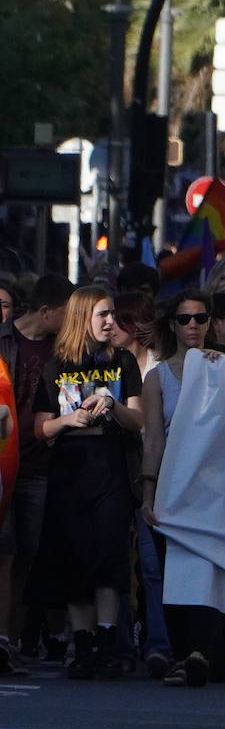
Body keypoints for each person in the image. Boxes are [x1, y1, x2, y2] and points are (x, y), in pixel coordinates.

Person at [26, 286, 144, 680]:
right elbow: (41, 427)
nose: (111, 322)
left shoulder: (124, 361)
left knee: (109, 555)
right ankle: (84, 643)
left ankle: (108, 640)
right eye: (103, 315)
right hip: (70, 469)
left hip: (110, 466)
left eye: (112, 314)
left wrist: (111, 403)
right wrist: (68, 421)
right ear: (82, 319)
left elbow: (138, 420)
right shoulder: (57, 365)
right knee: (73, 557)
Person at [138, 290, 223, 687]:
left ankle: (201, 652)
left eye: (201, 318)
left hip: (214, 487)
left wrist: (220, 371)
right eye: (185, 319)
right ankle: (178, 653)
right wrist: (148, 492)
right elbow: (154, 437)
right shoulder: (157, 378)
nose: (193, 326)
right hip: (173, 484)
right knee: (172, 572)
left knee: (207, 569)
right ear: (172, 324)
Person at [0, 274, 74, 671]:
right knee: (4, 552)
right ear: (46, 311)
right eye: (66, 313)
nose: (70, 322)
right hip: (5, 463)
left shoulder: (64, 351)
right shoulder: (3, 341)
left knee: (27, 555)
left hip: (42, 466)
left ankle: (10, 641)